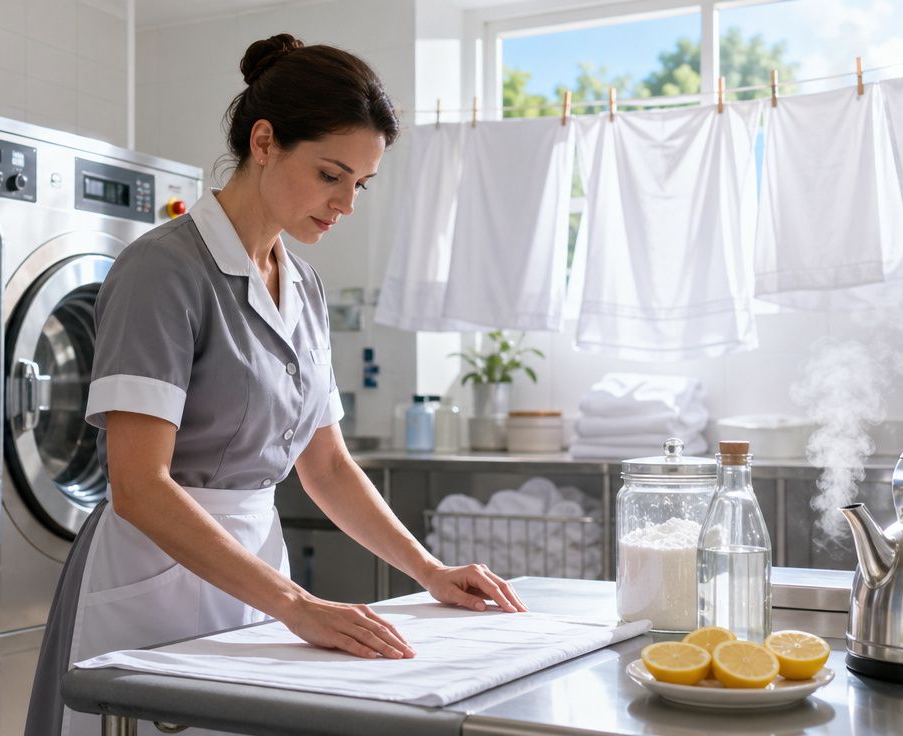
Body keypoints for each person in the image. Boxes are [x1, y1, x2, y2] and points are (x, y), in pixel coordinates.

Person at [26, 33, 527, 735]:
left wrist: (429, 571)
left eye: (360, 182)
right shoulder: (162, 272)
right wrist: (296, 605)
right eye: (331, 174)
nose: (347, 202)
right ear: (264, 142)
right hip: (154, 575)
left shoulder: (303, 285)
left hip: (256, 572)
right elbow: (139, 486)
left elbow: (325, 465)